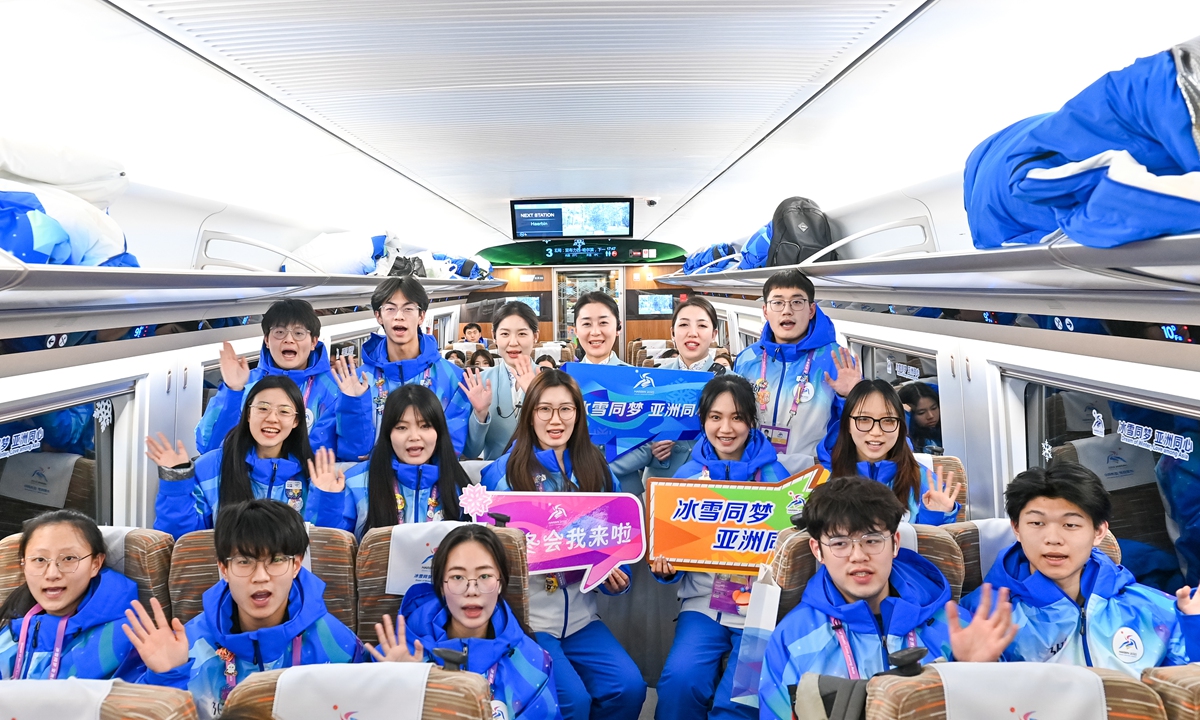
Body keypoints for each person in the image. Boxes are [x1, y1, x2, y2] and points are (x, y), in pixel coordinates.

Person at [759, 476, 1019, 720]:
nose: (858, 555)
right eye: (840, 543)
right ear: (818, 550)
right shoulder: (792, 638)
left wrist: (976, 669)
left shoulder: (954, 625)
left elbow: (1004, 708)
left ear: (895, 543)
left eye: (872, 540)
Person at [480, 370, 646, 720]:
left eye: (566, 410)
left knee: (629, 687)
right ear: (530, 415)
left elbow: (617, 540)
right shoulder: (504, 473)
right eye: (544, 410)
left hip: (583, 618)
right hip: (530, 619)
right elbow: (486, 553)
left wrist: (618, 574)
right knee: (572, 700)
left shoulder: (596, 470)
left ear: (578, 415)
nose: (555, 420)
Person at [127, 499, 363, 720]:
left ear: (296, 564)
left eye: (276, 560)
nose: (260, 577)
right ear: (224, 569)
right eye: (244, 562)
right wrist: (167, 677)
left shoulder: (336, 644)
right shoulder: (188, 645)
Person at [960, 463, 1200, 675]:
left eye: (1070, 524)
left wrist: (1195, 628)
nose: (1052, 538)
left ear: (1098, 532)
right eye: (1037, 523)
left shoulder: (1152, 609)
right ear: (1017, 528)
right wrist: (970, 669)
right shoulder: (981, 615)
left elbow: (1180, 696)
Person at [652, 375, 792, 720]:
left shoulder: (779, 478)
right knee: (678, 682)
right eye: (715, 417)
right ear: (703, 421)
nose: (725, 428)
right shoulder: (685, 478)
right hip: (702, 603)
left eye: (736, 417)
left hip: (759, 606)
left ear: (751, 421)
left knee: (740, 698)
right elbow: (671, 554)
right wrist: (666, 571)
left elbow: (794, 550)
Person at [369, 524, 560, 720]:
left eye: (484, 576)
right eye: (457, 577)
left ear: (500, 583)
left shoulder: (532, 664)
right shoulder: (396, 655)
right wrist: (401, 688)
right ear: (442, 586)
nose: (472, 590)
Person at [147, 375, 351, 540]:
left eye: (284, 411)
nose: (272, 418)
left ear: (296, 421)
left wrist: (328, 499)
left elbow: (326, 549)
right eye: (262, 408)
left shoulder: (314, 473)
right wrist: (176, 484)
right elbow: (182, 539)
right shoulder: (210, 467)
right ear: (247, 414)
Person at [196, 298, 364, 461]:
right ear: (267, 340)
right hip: (247, 481)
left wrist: (353, 402)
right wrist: (233, 392)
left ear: (313, 342)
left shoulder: (334, 388)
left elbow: (353, 454)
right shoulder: (245, 383)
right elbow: (210, 447)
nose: (289, 339)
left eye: (298, 333)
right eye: (279, 332)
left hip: (309, 484)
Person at [732, 269, 861, 471]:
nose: (787, 310)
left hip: (814, 475)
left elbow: (857, 428)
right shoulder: (747, 359)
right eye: (778, 302)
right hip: (754, 473)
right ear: (766, 311)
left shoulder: (835, 361)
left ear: (811, 310)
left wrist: (852, 396)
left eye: (797, 302)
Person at [336, 276, 472, 455]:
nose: (399, 317)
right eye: (390, 309)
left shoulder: (454, 378)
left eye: (408, 309)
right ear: (378, 316)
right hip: (374, 477)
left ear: (421, 316)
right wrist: (352, 403)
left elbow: (453, 446)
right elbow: (352, 452)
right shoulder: (357, 381)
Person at [0, 509, 144, 680]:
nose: (52, 574)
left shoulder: (125, 636)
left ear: (95, 564)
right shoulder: (9, 631)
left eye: (68, 559)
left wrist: (166, 673)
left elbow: (143, 699)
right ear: (24, 565)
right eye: (39, 560)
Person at [344, 385, 469, 540]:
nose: (414, 436)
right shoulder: (355, 482)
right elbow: (332, 552)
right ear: (388, 433)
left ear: (439, 431)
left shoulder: (462, 486)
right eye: (402, 427)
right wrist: (327, 498)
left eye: (425, 426)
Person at [827, 380, 959, 526]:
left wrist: (936, 515)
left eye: (888, 420)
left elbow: (936, 545)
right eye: (863, 419)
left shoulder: (923, 480)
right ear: (847, 425)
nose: (876, 432)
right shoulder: (823, 478)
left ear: (900, 427)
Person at [571, 291, 656, 495]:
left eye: (603, 323)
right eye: (586, 324)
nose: (595, 332)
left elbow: (645, 448)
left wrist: (598, 472)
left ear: (618, 328)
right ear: (575, 330)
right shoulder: (564, 381)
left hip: (625, 490)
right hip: (573, 489)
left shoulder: (638, 381)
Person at [646, 296, 728, 481]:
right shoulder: (653, 380)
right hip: (662, 477)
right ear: (672, 333)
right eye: (683, 325)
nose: (692, 333)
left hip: (715, 479)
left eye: (702, 325)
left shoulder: (733, 382)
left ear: (714, 334)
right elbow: (636, 433)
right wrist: (650, 450)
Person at [461, 301, 542, 460]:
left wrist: (536, 394)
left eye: (522, 334)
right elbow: (470, 452)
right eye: (505, 334)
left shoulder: (552, 382)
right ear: (494, 336)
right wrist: (480, 414)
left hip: (542, 476)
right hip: (497, 479)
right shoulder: (480, 382)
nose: (513, 342)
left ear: (536, 336)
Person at [897, 382, 942, 453]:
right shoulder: (908, 441)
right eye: (921, 413)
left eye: (934, 408)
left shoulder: (946, 431)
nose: (930, 416)